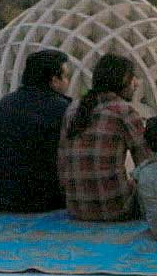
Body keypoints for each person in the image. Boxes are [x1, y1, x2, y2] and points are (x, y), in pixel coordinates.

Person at [0, 49, 73, 213]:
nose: (68, 81)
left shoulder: (5, 103)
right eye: (66, 76)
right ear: (54, 80)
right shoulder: (62, 109)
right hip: (33, 203)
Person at [57, 54, 150, 221]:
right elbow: (147, 164)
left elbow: (62, 163)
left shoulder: (73, 109)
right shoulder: (124, 111)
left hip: (76, 207)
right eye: (132, 78)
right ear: (122, 80)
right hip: (115, 208)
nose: (136, 84)